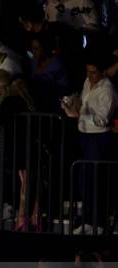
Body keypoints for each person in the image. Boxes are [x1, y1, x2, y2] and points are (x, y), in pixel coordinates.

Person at [61, 57, 117, 234]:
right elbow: (84, 104)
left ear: (102, 72)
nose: (89, 75)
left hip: (99, 138)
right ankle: (86, 220)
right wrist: (72, 104)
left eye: (93, 72)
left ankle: (98, 223)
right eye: (88, 71)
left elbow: (102, 119)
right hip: (84, 135)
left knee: (96, 181)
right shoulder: (87, 81)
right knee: (85, 180)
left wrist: (78, 115)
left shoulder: (108, 90)